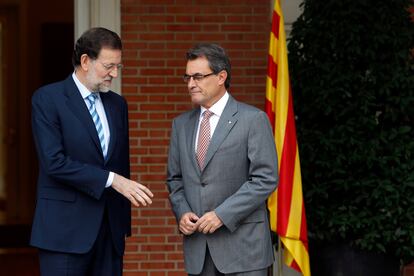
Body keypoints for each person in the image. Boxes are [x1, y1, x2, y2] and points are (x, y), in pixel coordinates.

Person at [30, 27, 153, 276]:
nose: (114, 74)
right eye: (109, 66)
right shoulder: (48, 99)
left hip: (109, 233)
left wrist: (121, 227)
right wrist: (112, 180)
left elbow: (120, 163)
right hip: (64, 233)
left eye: (118, 66)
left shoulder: (118, 104)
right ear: (85, 61)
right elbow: (54, 162)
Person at [166, 43, 278, 276]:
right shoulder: (181, 125)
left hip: (245, 251)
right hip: (199, 250)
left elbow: (265, 179)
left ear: (221, 77)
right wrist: (182, 212)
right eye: (187, 77)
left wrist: (222, 215)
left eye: (198, 76)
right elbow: (175, 180)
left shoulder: (253, 119)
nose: (190, 84)